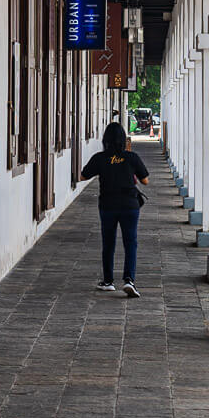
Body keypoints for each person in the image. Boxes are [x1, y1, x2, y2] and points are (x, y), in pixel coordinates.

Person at [81, 121, 149, 297]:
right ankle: (129, 280)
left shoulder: (100, 158)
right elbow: (145, 180)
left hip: (108, 205)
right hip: (129, 205)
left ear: (105, 139)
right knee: (130, 243)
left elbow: (82, 175)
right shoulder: (132, 157)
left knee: (108, 243)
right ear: (124, 139)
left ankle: (108, 281)